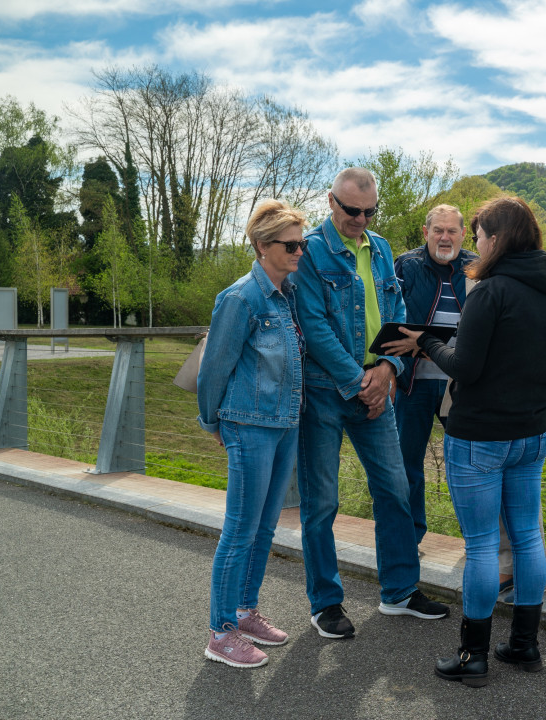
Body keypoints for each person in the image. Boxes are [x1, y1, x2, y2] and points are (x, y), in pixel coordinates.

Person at [383, 196, 546, 687]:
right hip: (531, 433)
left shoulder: (491, 291)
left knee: (483, 544)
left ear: (496, 238)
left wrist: (425, 342)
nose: (475, 241)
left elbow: (466, 366)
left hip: (481, 437)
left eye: (479, 232)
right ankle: (525, 645)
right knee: (528, 536)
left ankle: (473, 656)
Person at [293, 167, 449, 641]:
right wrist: (359, 380)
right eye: (351, 210)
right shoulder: (310, 251)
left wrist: (387, 371)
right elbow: (313, 326)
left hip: (377, 385)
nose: (361, 218)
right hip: (325, 389)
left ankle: (399, 592)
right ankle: (326, 603)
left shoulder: (380, 249)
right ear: (331, 201)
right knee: (321, 503)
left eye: (369, 211)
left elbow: (397, 313)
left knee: (396, 489)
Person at [196, 199, 307, 668]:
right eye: (291, 244)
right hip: (250, 426)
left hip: (284, 425)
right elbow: (213, 369)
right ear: (263, 247)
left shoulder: (288, 294)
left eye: (302, 243)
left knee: (264, 527)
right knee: (239, 530)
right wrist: (213, 422)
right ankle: (220, 633)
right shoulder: (241, 298)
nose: (300, 251)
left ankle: (244, 612)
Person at [393, 204, 477, 545]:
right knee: (407, 465)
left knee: (468, 467)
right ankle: (410, 538)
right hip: (412, 382)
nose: (445, 237)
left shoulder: (476, 269)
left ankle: (477, 541)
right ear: (425, 233)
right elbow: (389, 312)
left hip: (459, 386)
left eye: (452, 231)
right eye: (438, 230)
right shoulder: (406, 265)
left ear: (462, 235)